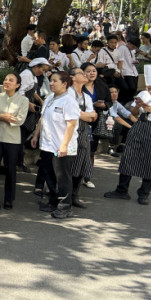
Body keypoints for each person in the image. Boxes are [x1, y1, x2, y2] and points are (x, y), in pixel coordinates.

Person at [104, 65, 151, 205]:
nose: (150, 91)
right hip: (139, 127)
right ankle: (122, 190)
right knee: (129, 157)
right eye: (148, 88)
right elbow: (132, 112)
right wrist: (138, 106)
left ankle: (144, 193)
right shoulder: (144, 94)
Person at [31, 71, 79, 219]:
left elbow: (71, 124)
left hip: (61, 147)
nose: (51, 83)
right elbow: (42, 118)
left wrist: (64, 145)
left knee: (62, 177)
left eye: (55, 81)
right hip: (47, 146)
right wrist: (36, 134)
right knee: (49, 174)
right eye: (51, 80)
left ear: (64, 84)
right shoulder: (50, 98)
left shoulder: (69, 101)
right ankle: (53, 201)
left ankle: (65, 206)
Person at [0, 73, 29, 210]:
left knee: (11, 170)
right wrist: (2, 116)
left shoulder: (23, 100)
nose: (7, 82)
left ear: (18, 85)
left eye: (11, 80)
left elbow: (20, 120)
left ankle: (9, 199)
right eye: (5, 79)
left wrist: (1, 117)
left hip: (12, 140)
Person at [68, 68, 98, 208]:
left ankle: (75, 194)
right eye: (81, 73)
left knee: (81, 164)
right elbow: (73, 113)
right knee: (68, 165)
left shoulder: (86, 96)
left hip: (84, 132)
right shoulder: (68, 93)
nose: (85, 75)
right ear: (73, 77)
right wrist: (86, 115)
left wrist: (83, 114)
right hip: (69, 131)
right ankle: (63, 194)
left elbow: (94, 116)